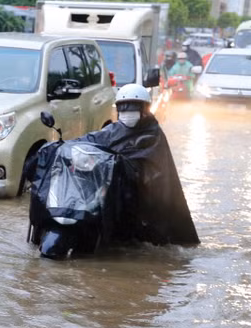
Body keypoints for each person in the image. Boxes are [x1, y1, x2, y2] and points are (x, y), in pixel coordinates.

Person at [81, 83, 199, 247]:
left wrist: (127, 167)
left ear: (144, 109)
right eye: (124, 108)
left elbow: (154, 169)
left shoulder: (153, 134)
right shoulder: (112, 130)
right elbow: (90, 140)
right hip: (112, 190)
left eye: (133, 108)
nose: (128, 113)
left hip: (141, 195)